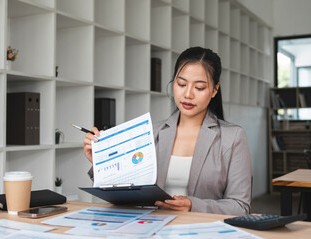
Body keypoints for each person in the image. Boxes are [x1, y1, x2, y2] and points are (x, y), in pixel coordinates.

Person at [83, 47, 252, 216]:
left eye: (199, 87)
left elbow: (240, 206)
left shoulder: (232, 137)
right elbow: (129, 192)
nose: (187, 94)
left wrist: (193, 205)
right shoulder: (151, 133)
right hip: (153, 230)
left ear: (215, 90)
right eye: (181, 84)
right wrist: (100, 161)